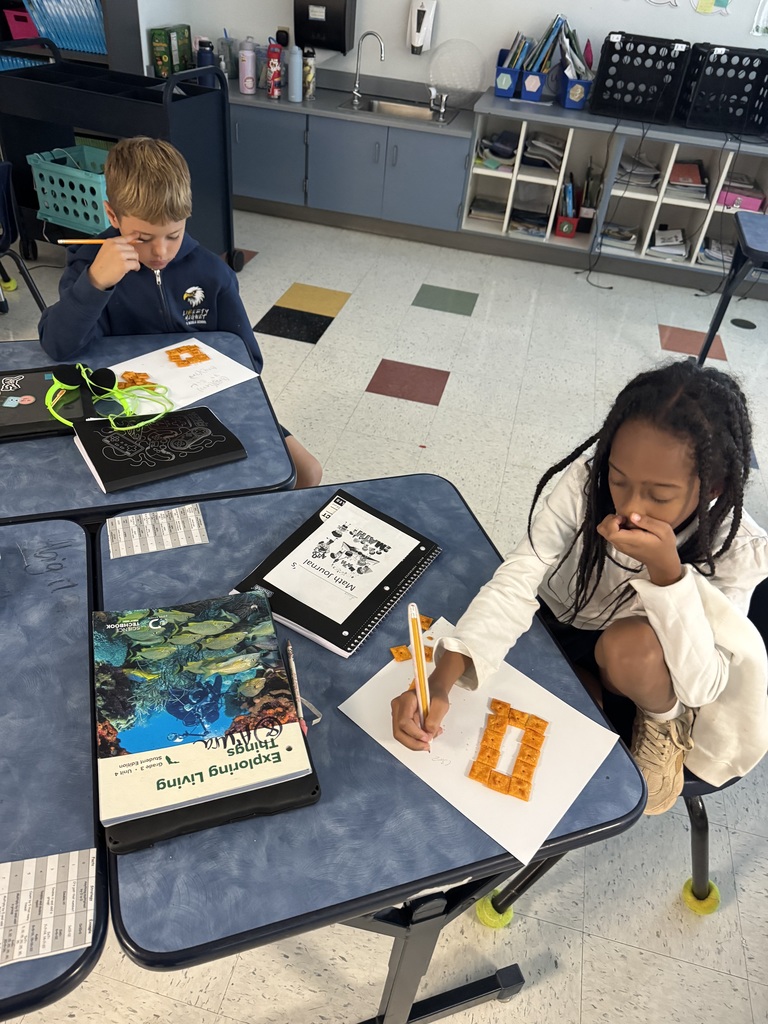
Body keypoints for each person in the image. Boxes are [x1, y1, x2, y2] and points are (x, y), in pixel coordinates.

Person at [392, 360, 768, 815]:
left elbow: (701, 686)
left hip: (653, 672)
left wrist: (668, 574)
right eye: (618, 478)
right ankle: (585, 682)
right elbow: (522, 573)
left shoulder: (740, 549)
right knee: (523, 703)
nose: (629, 507)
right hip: (558, 620)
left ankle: (660, 726)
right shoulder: (584, 482)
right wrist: (440, 680)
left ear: (714, 486)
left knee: (634, 647)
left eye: (660, 496)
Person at [38, 136, 322, 488]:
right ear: (112, 214)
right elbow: (57, 345)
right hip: (127, 414)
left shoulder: (211, 273)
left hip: (207, 403)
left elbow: (249, 360)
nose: (161, 252)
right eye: (142, 238)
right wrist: (95, 283)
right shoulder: (89, 268)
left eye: (173, 235)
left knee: (308, 471)